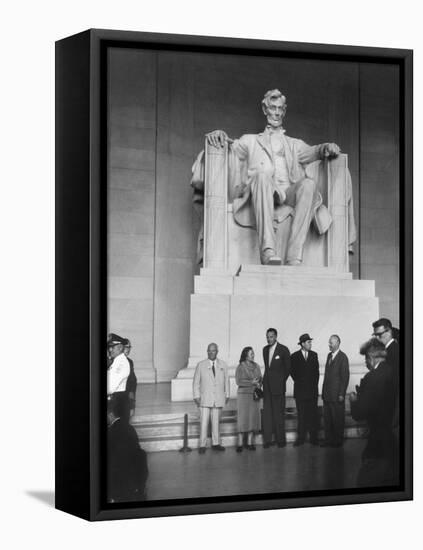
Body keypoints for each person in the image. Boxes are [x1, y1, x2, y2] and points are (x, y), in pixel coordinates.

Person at [205, 89, 356, 265]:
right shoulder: (250, 140)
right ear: (265, 109)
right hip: (264, 190)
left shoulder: (294, 144)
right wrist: (220, 136)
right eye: (272, 108)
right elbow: (231, 147)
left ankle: (294, 255)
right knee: (261, 176)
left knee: (308, 184)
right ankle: (268, 250)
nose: (276, 113)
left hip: (289, 193)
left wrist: (326, 147)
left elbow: (313, 151)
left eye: (280, 109)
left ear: (284, 111)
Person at [349, 338, 396, 487]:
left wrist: (354, 401)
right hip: (392, 435)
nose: (365, 362)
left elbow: (359, 414)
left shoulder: (372, 378)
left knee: (365, 482)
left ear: (371, 358)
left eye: (365, 358)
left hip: (378, 437)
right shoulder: (392, 372)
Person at [107, 399, 148, 502]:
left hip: (118, 485)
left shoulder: (110, 432)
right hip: (134, 481)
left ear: (111, 415)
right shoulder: (130, 428)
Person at [193, 342, 229, 454]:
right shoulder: (201, 365)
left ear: (217, 352)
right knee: (204, 423)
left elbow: (227, 381)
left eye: (213, 350)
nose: (211, 352)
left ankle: (216, 443)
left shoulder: (223, 364)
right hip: (205, 398)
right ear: (207, 351)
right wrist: (196, 396)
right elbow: (196, 382)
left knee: (216, 422)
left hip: (218, 398)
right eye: (209, 350)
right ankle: (202, 445)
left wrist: (227, 394)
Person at [262, 328, 291, 448]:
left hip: (278, 387)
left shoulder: (283, 349)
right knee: (267, 414)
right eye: (267, 337)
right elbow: (267, 369)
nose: (269, 339)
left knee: (279, 414)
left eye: (271, 336)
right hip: (267, 387)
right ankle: (267, 440)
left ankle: (281, 440)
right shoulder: (265, 349)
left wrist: (279, 381)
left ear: (276, 336)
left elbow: (288, 369)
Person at [290, 333, 320, 446]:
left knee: (313, 415)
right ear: (302, 344)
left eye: (310, 342)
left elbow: (316, 373)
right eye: (308, 342)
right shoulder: (294, 356)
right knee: (301, 416)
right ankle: (300, 438)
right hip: (300, 391)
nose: (310, 344)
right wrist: (301, 382)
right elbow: (292, 373)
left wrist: (313, 386)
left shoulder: (314, 355)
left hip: (312, 391)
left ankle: (314, 438)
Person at [321, 335, 350, 447]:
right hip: (327, 394)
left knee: (338, 419)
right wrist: (323, 392)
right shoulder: (329, 355)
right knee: (328, 420)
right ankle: (328, 440)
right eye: (329, 342)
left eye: (331, 343)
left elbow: (345, 377)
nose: (329, 345)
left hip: (337, 395)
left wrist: (342, 393)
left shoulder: (343, 357)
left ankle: (337, 441)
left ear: (338, 343)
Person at [235, 347, 263, 452]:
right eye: (251, 353)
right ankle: (240, 443)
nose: (253, 355)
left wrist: (259, 382)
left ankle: (251, 443)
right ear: (246, 354)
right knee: (243, 419)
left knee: (253, 419)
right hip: (243, 396)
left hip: (254, 396)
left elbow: (261, 378)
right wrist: (251, 382)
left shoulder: (257, 366)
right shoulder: (240, 367)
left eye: (253, 353)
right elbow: (238, 381)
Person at [107, 333, 131, 419]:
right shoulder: (115, 361)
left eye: (112, 347)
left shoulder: (121, 363)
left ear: (120, 347)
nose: (110, 349)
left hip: (117, 405)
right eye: (109, 347)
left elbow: (110, 388)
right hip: (114, 402)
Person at [123, 338, 138, 420]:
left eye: (129, 347)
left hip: (125, 401)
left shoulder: (129, 362)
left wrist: (132, 405)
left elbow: (132, 383)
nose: (128, 349)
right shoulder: (111, 362)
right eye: (126, 347)